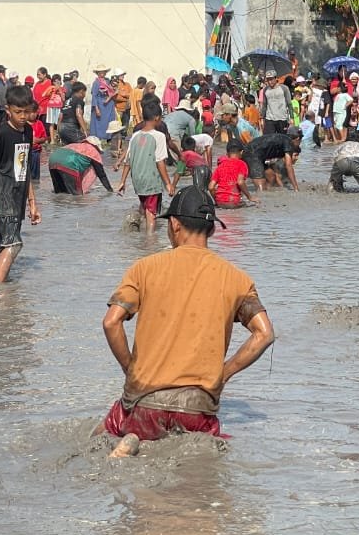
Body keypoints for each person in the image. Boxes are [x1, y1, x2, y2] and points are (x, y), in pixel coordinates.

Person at [98, 187, 274, 457]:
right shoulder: (237, 279)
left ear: (174, 225)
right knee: (200, 462)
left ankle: (132, 439)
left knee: (104, 433)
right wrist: (224, 373)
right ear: (213, 230)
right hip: (198, 406)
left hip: (147, 401)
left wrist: (131, 370)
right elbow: (264, 334)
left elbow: (111, 322)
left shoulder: (144, 268)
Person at [0, 84, 41, 283]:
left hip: (18, 196)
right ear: (8, 111)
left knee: (6, 244)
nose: (22, 116)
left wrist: (32, 202)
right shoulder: (1, 134)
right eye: (18, 112)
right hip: (2, 194)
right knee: (14, 244)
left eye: (26, 112)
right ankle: (0, 294)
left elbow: (24, 169)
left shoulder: (28, 132)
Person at [117, 96, 177, 235]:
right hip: (151, 180)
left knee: (144, 208)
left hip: (137, 180)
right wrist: (168, 183)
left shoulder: (136, 135)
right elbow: (160, 161)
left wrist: (122, 181)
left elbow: (128, 160)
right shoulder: (159, 136)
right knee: (151, 214)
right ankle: (149, 242)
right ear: (157, 118)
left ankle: (136, 231)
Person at [48, 136, 114, 195]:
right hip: (69, 163)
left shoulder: (74, 145)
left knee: (60, 193)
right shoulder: (93, 151)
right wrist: (110, 190)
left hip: (53, 160)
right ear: (97, 146)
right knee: (76, 196)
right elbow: (101, 175)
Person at [209, 140, 255, 206]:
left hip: (220, 202)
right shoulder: (242, 164)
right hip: (234, 201)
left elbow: (211, 187)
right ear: (241, 152)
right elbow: (240, 182)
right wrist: (250, 197)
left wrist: (217, 201)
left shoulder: (220, 166)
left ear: (227, 154)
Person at [260, 70, 293, 135]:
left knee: (283, 139)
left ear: (275, 78)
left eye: (271, 79)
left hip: (282, 118)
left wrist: (292, 118)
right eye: (268, 80)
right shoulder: (266, 90)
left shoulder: (284, 88)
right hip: (269, 119)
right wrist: (262, 117)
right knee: (268, 139)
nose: (270, 82)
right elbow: (264, 104)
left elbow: (289, 103)